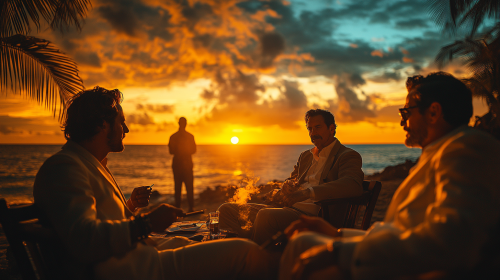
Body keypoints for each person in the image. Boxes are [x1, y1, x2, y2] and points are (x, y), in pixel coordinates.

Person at [33, 87, 277, 280]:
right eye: (121, 122)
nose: (126, 129)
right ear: (101, 125)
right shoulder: (65, 168)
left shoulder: (90, 164)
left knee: (200, 239)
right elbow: (84, 240)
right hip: (139, 271)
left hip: (142, 256)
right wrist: (147, 222)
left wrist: (130, 206)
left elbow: (99, 223)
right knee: (247, 254)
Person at [279, 72, 500, 280]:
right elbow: (404, 229)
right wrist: (338, 235)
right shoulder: (440, 153)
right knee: (302, 240)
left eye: (406, 112)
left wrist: (338, 252)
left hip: (409, 270)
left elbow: (451, 241)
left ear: (433, 112)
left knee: (295, 246)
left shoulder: (466, 149)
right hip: (399, 256)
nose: (402, 122)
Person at [218, 109, 364, 245]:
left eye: (318, 127)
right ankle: (245, 252)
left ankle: (257, 261)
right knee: (226, 210)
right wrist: (287, 186)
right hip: (286, 209)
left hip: (314, 217)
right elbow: (293, 179)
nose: (313, 133)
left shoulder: (347, 156)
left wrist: (308, 192)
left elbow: (353, 184)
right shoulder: (306, 156)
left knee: (265, 216)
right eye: (309, 128)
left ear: (331, 128)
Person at [168, 117, 196, 212]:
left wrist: (180, 150)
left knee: (182, 188)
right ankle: (185, 208)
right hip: (182, 165)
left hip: (182, 164)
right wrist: (184, 151)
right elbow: (193, 150)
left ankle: (186, 208)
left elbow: (171, 151)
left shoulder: (174, 136)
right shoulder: (189, 136)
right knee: (184, 187)